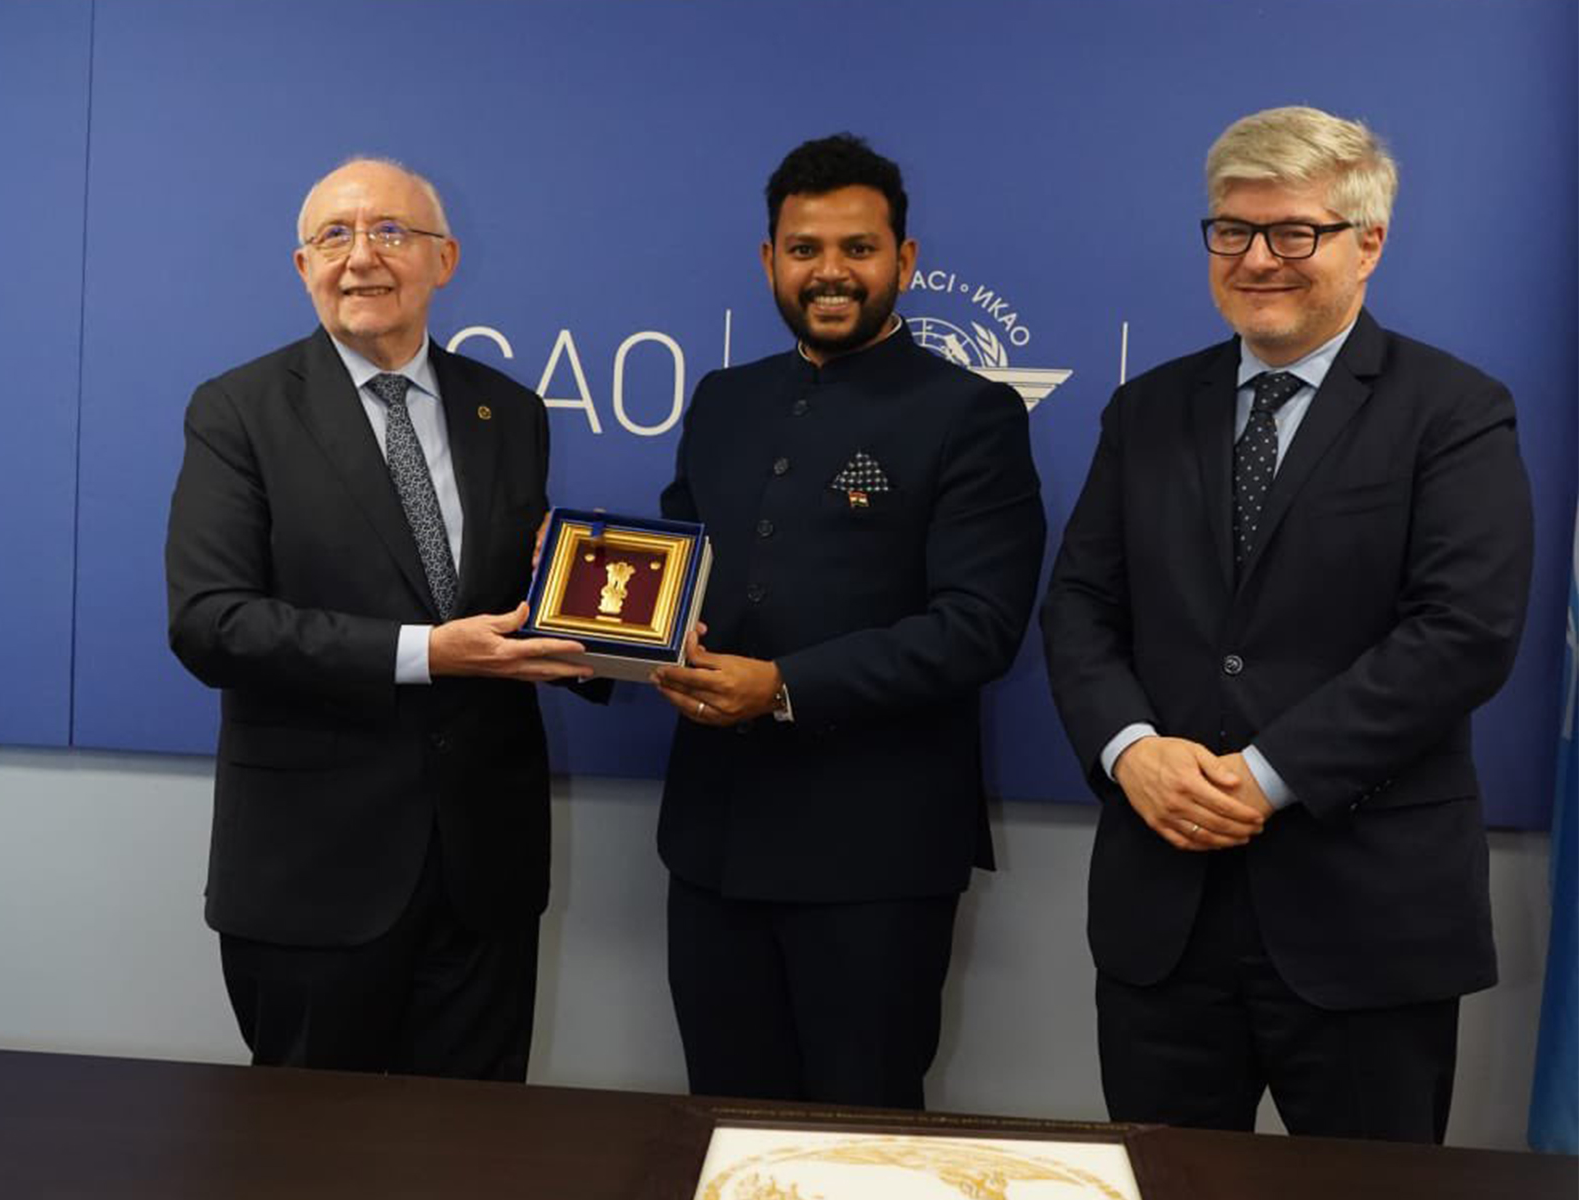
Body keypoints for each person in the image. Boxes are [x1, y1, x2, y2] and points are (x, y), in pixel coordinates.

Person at [1042, 106, 1534, 1141]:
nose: (1258, 258)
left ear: (1369, 243)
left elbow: (1463, 631)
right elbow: (1081, 605)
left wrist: (1265, 775)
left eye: (1293, 231)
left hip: (1366, 921)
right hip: (1163, 917)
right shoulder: (1147, 411)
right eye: (1233, 229)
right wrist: (1131, 751)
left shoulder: (1453, 410)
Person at [166, 157, 593, 1080]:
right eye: (335, 236)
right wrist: (427, 653)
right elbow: (211, 623)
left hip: (482, 876)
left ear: (445, 259)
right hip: (314, 877)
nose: (361, 257)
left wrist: (616, 638)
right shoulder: (238, 411)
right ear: (303, 267)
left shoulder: (511, 411)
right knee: (309, 1149)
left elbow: (519, 605)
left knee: (476, 1146)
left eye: (391, 232)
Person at [653, 133, 1046, 1108]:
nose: (829, 271)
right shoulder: (723, 400)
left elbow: (978, 627)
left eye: (858, 248)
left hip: (876, 856)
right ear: (769, 260)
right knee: (723, 1124)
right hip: (712, 844)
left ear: (903, 260)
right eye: (804, 249)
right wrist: (597, 621)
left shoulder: (971, 412)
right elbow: (676, 574)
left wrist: (783, 688)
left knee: (861, 1136)